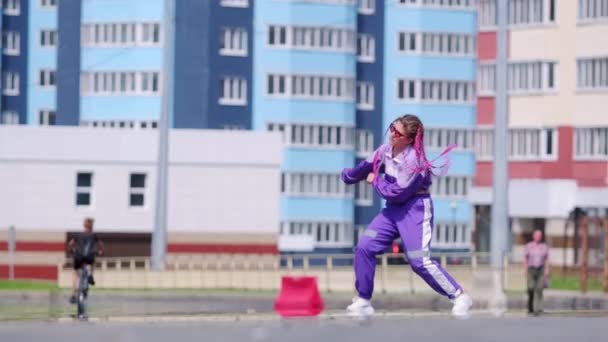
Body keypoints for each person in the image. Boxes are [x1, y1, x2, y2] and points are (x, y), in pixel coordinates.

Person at [341, 114, 472, 317]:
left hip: (415, 209)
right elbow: (365, 168)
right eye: (392, 128)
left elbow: (397, 193)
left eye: (398, 132)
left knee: (418, 260)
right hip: (393, 211)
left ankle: (459, 295)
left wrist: (375, 180)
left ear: (409, 139)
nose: (392, 133)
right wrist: (348, 175)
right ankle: (363, 300)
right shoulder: (385, 151)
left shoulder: (414, 161)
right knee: (365, 247)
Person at [67, 217, 104, 304]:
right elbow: (101, 245)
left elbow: (70, 244)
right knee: (92, 262)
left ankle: (73, 295)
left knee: (75, 274)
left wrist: (72, 250)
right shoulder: (94, 235)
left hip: (78, 257)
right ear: (92, 226)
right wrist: (100, 252)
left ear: (84, 225)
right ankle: (90, 274)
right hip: (89, 257)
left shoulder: (78, 235)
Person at [523, 229, 549, 316]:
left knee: (539, 288)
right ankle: (530, 306)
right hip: (531, 269)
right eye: (537, 235)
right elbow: (525, 258)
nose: (538, 237)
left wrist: (546, 269)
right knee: (531, 288)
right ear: (533, 236)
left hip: (540, 269)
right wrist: (525, 269)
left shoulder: (544, 246)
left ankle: (538, 308)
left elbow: (546, 259)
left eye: (540, 236)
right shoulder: (529, 246)